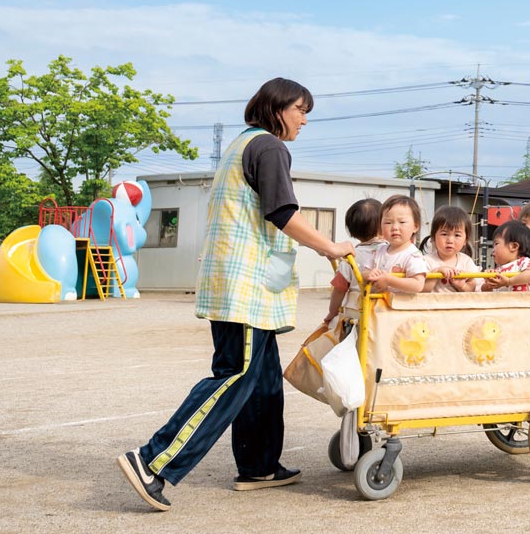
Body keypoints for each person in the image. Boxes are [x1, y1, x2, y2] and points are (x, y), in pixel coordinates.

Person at [117, 78, 354, 512]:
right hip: (245, 287)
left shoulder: (241, 145)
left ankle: (260, 466)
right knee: (234, 376)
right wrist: (330, 246)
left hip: (248, 285)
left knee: (262, 381)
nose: (304, 120)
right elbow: (282, 212)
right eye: (301, 109)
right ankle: (152, 462)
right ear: (278, 108)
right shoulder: (270, 147)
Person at [340, 194, 428, 297]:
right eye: (388, 222)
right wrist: (368, 274)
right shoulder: (379, 250)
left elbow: (418, 285)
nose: (395, 227)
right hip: (378, 308)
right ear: (380, 227)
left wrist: (389, 280)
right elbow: (365, 272)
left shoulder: (413, 255)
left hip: (400, 309)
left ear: (415, 226)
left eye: (402, 222)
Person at [321, 198, 384, 324]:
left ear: (352, 230)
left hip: (358, 316)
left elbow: (339, 288)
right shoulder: (393, 253)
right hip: (387, 312)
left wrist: (332, 312)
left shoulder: (350, 257)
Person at [420, 205, 482, 292]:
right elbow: (422, 290)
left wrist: (462, 286)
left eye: (457, 235)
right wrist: (436, 273)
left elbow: (472, 290)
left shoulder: (466, 262)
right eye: (444, 234)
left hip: (458, 305)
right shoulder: (426, 261)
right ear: (433, 237)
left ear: (465, 240)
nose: (450, 240)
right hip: (433, 305)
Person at [482, 219, 530, 292]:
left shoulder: (523, 262)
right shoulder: (498, 270)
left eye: (496, 244)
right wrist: (489, 284)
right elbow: (484, 291)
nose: (493, 250)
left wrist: (509, 281)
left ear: (514, 246)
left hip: (522, 303)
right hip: (502, 303)